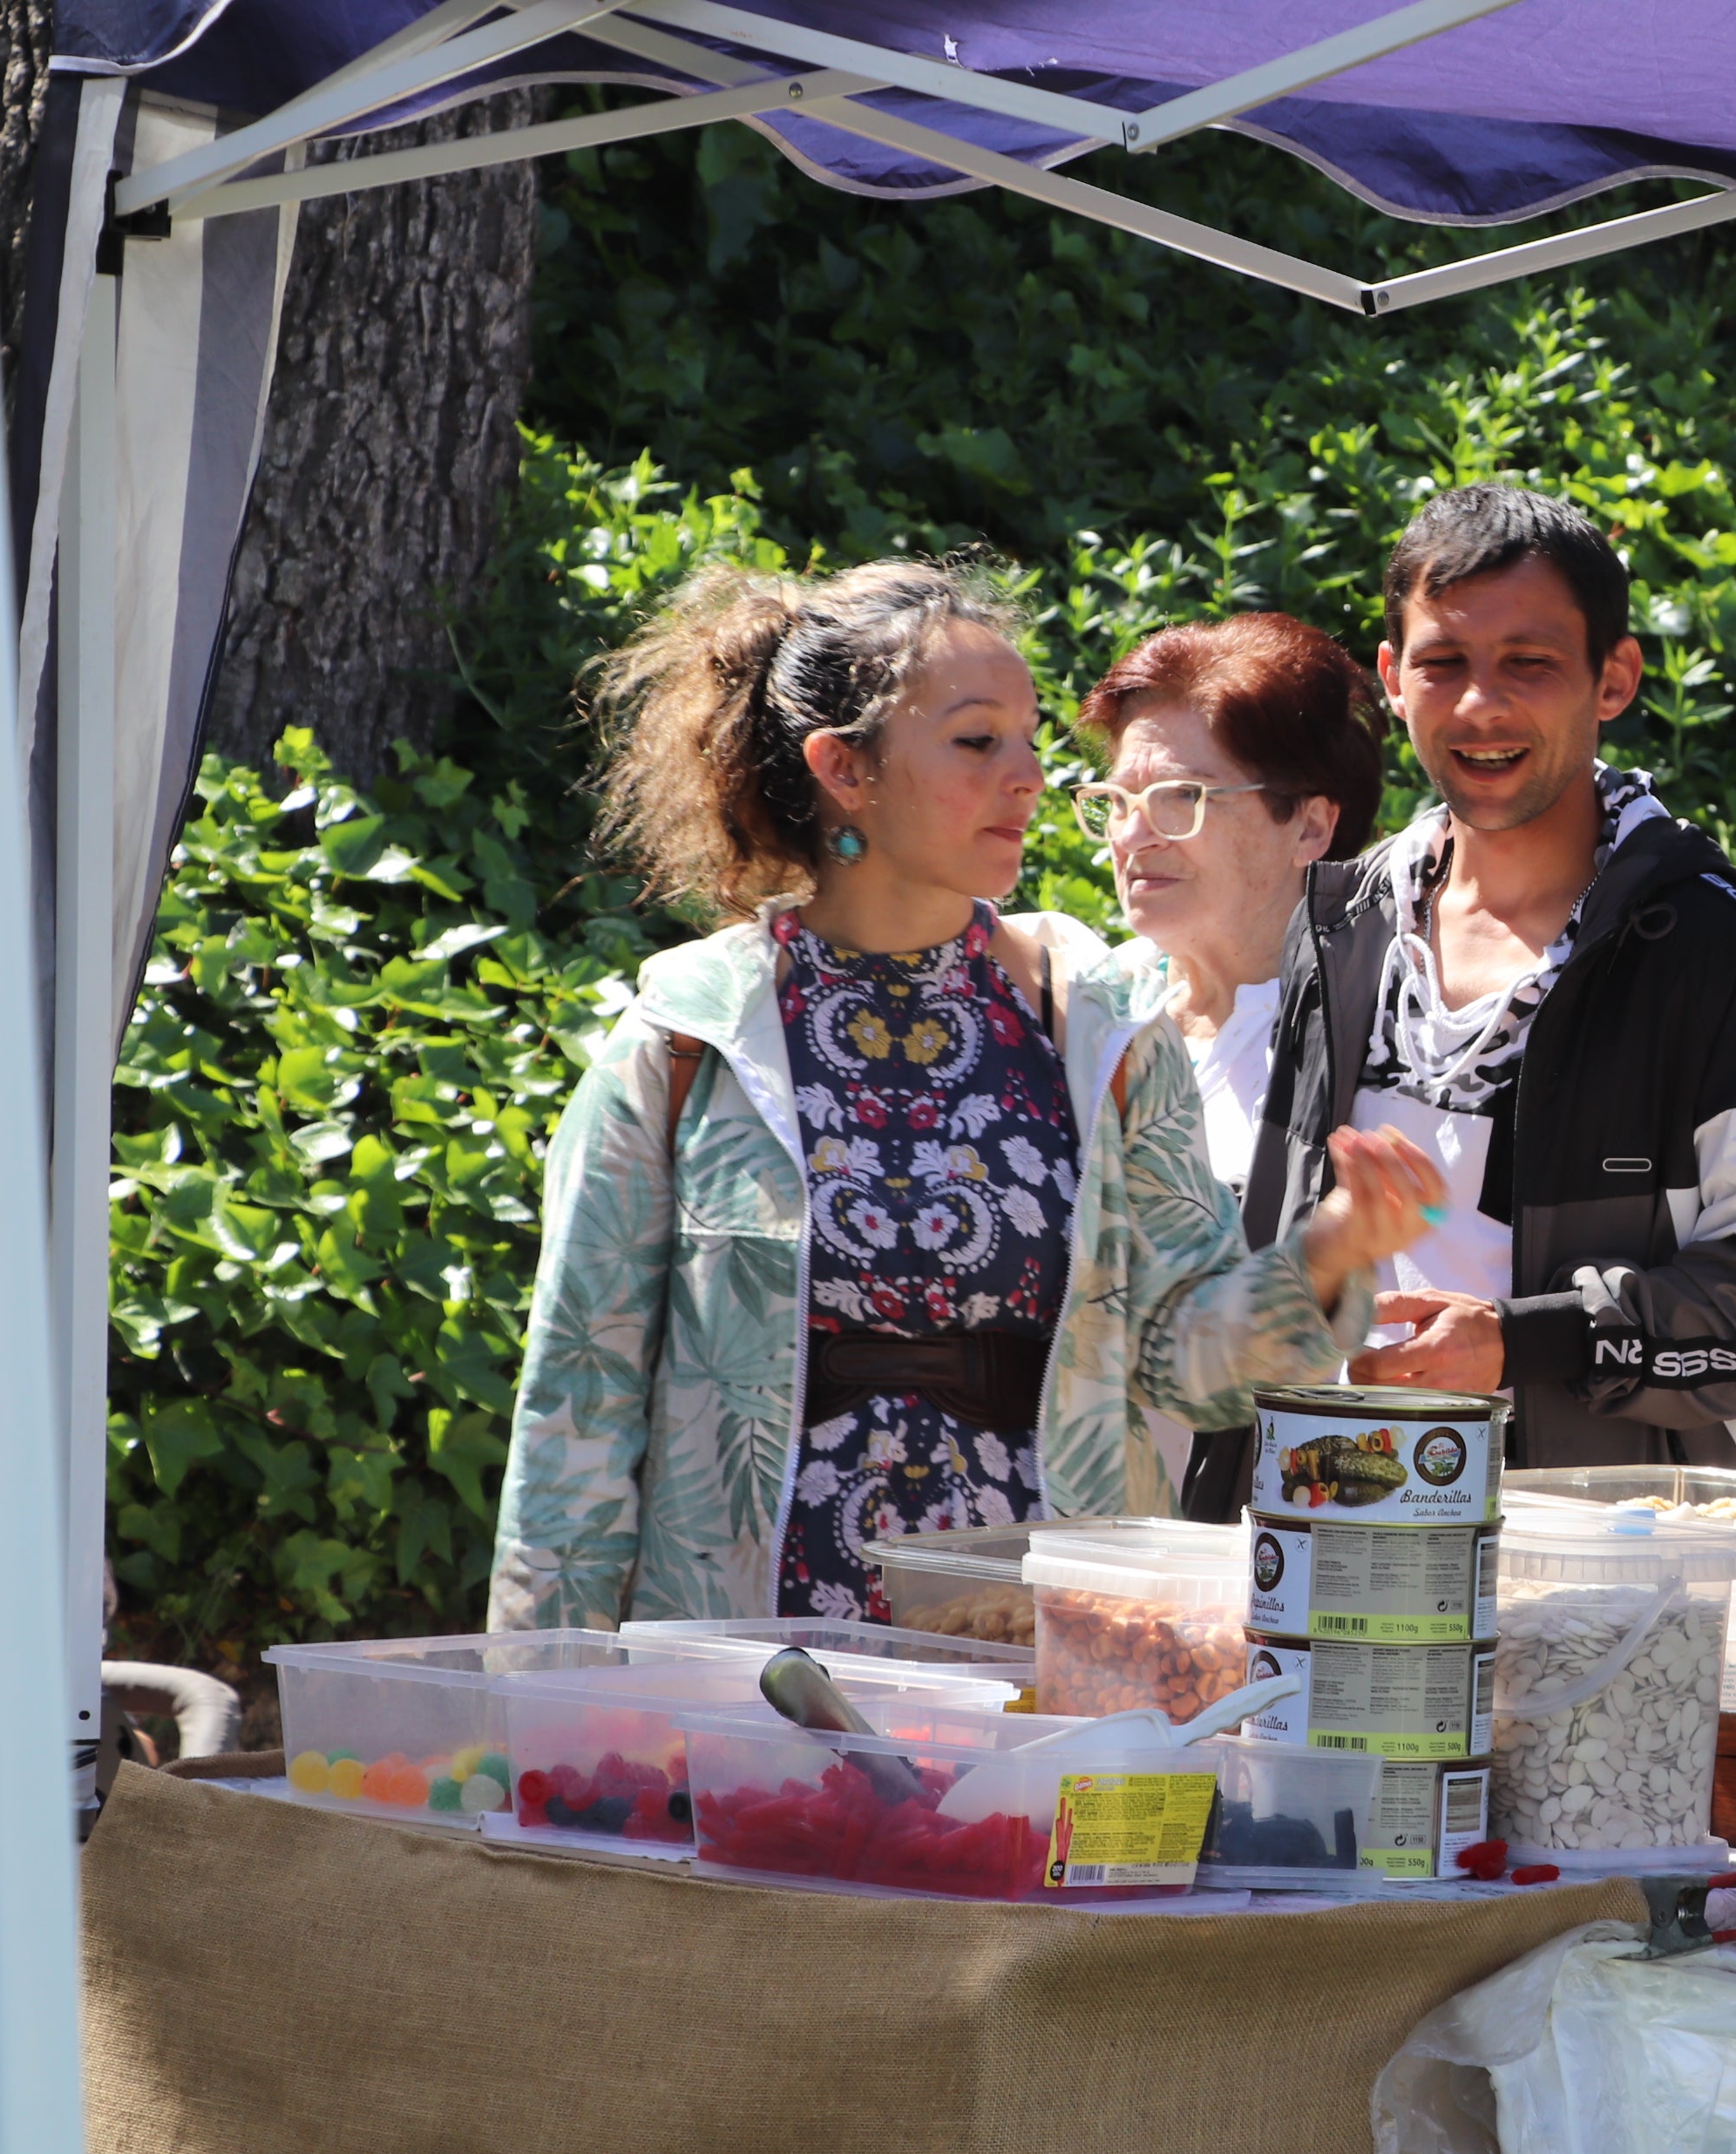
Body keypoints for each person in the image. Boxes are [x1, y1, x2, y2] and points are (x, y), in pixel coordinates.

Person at [486, 560, 1441, 1629]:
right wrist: (549, 1711)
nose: (1030, 776)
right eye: (980, 741)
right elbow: (577, 1417)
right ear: (845, 767)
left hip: (1041, 1659)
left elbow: (1187, 1368)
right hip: (743, 1661)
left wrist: (1329, 1254)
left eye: (1032, 740)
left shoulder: (1100, 1028)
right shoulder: (685, 1038)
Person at [1198, 483, 1736, 1501]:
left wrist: (1521, 1343)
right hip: (1342, 1523)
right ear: (1393, 678)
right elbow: (1272, 1256)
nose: (1481, 706)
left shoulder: (1709, 948)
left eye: (1530, 664)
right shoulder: (1346, 925)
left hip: (1610, 1565)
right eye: (1444, 663)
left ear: (1615, 679)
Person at [1071, 611, 1386, 1476]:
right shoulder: (1086, 1017)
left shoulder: (1382, 1034)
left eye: (1180, 798)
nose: (1134, 834)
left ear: (1312, 826)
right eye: (1116, 803)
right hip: (1105, 1539)